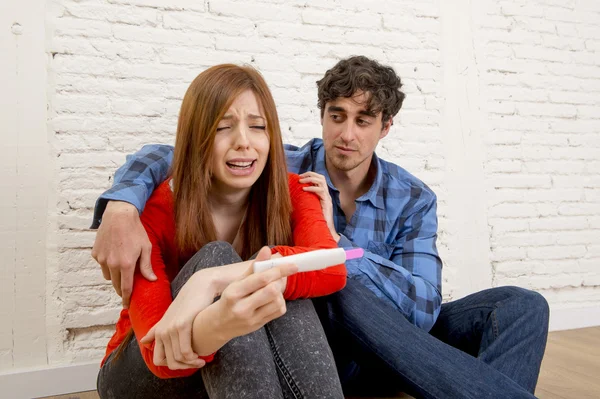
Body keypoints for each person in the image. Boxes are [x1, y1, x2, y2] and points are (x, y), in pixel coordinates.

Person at [92, 56, 549, 399]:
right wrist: (120, 204)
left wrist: (338, 244)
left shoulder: (412, 197)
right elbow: (175, 153)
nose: (347, 135)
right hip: (305, 334)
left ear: (386, 127)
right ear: (323, 116)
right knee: (304, 282)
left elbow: (425, 308)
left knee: (522, 306)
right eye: (337, 117)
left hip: (391, 338)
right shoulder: (281, 166)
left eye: (363, 121)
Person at [95, 64, 347, 399]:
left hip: (229, 374)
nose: (244, 142)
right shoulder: (154, 212)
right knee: (226, 258)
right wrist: (222, 319)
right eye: (223, 128)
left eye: (258, 127)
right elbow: (161, 357)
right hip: (143, 370)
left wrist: (212, 280)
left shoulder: (295, 191)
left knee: (278, 283)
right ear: (196, 137)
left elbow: (330, 267)